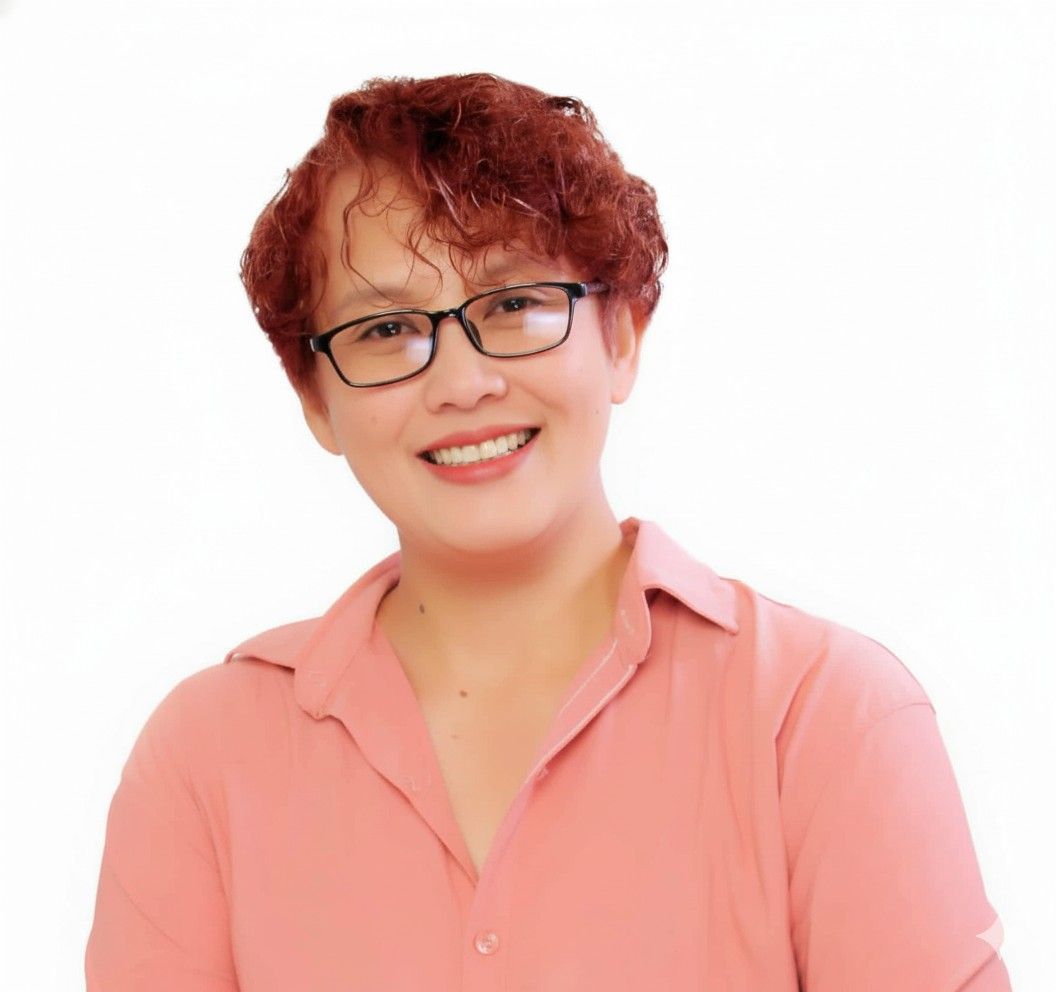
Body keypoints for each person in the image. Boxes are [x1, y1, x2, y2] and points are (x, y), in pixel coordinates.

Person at [84, 72, 1011, 991]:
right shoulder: (205, 757)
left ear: (622, 337)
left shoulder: (820, 717)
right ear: (314, 399)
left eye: (514, 305)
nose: (462, 381)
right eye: (387, 329)